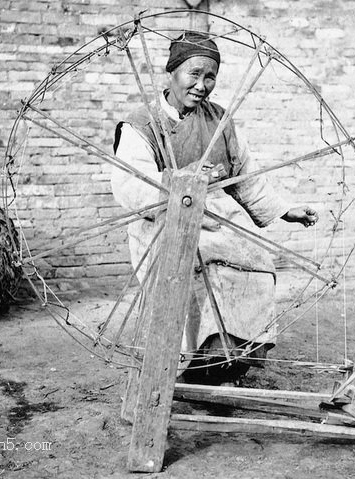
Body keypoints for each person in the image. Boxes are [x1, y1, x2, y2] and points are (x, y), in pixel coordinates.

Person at [111, 31, 318, 385]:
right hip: (163, 224)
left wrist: (285, 210)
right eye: (194, 74)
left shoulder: (220, 121)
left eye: (210, 77)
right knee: (193, 271)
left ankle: (227, 358)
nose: (202, 85)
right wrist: (180, 180)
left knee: (254, 263)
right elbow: (130, 186)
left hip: (218, 220)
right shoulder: (141, 126)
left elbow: (247, 177)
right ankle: (188, 366)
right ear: (172, 72)